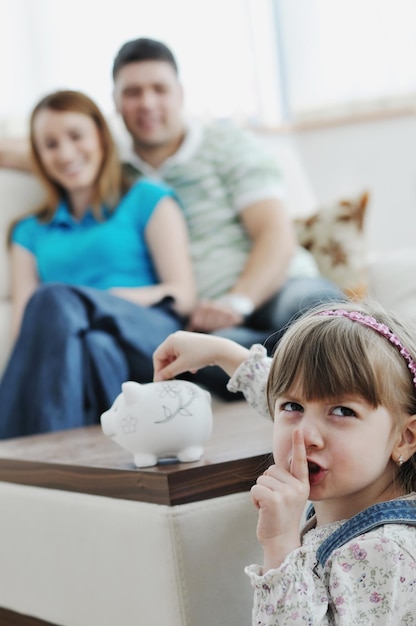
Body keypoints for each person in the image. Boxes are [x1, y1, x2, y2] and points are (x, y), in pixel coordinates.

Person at [0, 37, 343, 399]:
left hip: (273, 288)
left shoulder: (227, 146)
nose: (147, 103)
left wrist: (236, 303)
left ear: (179, 93)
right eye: (132, 92)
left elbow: (275, 234)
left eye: (159, 89)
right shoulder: (116, 167)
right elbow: (56, 149)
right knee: (217, 362)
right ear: (115, 105)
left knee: (320, 316)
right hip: (201, 319)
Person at [153, 300, 416, 623]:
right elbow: (279, 392)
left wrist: (280, 545)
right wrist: (223, 354)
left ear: (405, 438)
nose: (305, 435)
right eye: (293, 407)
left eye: (343, 411)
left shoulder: (381, 552)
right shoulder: (351, 480)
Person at [0, 89, 195, 439]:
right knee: (93, 344)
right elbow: (24, 329)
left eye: (76, 137)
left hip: (147, 334)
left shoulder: (147, 198)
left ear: (101, 138)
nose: (66, 153)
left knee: (55, 298)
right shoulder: (27, 232)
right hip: (80, 345)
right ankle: (76, 468)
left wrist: (102, 299)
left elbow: (182, 295)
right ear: (39, 156)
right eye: (50, 144)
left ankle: (22, 460)